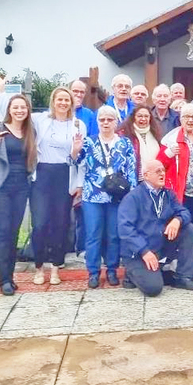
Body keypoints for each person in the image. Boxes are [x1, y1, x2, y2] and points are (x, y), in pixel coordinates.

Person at [0, 76, 84, 285]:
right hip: (41, 175)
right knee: (41, 223)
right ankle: (39, 266)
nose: (63, 103)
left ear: (71, 103)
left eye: (66, 100)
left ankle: (55, 268)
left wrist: (79, 181)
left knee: (61, 225)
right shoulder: (40, 119)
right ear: (53, 101)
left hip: (64, 175)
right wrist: (1, 91)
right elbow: (15, 112)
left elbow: (80, 160)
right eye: (59, 99)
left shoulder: (78, 125)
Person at [73, 105, 137, 288]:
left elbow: (131, 169)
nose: (106, 123)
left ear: (116, 122)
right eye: (102, 120)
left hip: (116, 197)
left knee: (114, 235)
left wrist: (130, 195)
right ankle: (93, 272)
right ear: (98, 122)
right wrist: (75, 150)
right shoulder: (89, 142)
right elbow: (76, 162)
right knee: (93, 235)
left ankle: (111, 269)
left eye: (110, 119)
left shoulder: (125, 143)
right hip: (93, 196)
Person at [117, 159, 193, 295]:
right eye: (158, 171)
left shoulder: (168, 194)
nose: (162, 174)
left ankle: (183, 276)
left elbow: (184, 212)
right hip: (138, 253)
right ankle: (131, 274)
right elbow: (125, 229)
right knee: (154, 289)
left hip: (160, 247)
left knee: (188, 229)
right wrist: (144, 251)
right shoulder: (133, 198)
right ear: (146, 175)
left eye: (163, 170)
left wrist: (177, 219)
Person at [0, 94, 37, 295]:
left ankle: (9, 276)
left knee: (13, 231)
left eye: (23, 107)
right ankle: (3, 279)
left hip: (21, 185)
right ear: (9, 109)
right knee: (3, 230)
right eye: (16, 107)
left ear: (28, 110)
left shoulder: (30, 131)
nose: (20, 110)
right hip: (0, 186)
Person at [158, 104, 193, 252]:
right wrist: (169, 153)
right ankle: (176, 257)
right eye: (187, 116)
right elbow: (159, 164)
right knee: (179, 223)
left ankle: (192, 258)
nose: (190, 120)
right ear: (180, 119)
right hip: (179, 191)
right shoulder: (170, 138)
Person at [119, 104, 160, 178]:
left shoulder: (155, 133)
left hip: (154, 178)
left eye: (146, 116)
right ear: (133, 117)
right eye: (140, 116)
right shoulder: (125, 135)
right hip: (135, 179)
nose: (143, 119)